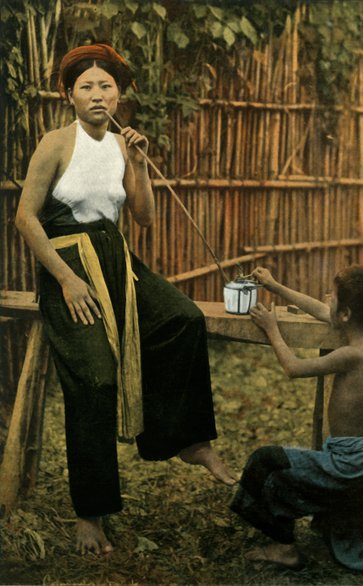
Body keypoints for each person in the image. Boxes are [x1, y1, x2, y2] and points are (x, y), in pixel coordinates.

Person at [15, 43, 236, 555]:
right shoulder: (55, 143)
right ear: (69, 95)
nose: (97, 95)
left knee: (182, 318)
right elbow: (25, 218)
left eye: (106, 86)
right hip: (68, 265)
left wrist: (137, 163)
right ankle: (90, 514)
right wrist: (66, 280)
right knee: (96, 378)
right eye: (86, 87)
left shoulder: (121, 145)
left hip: (117, 258)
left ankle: (187, 441)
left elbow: (144, 217)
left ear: (119, 95)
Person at [230, 265, 363, 583]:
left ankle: (285, 549)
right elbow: (322, 311)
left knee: (265, 463)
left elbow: (293, 367)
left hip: (353, 468)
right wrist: (275, 286)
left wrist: (272, 329)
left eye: (332, 297)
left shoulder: (352, 354)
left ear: (345, 314)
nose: (327, 300)